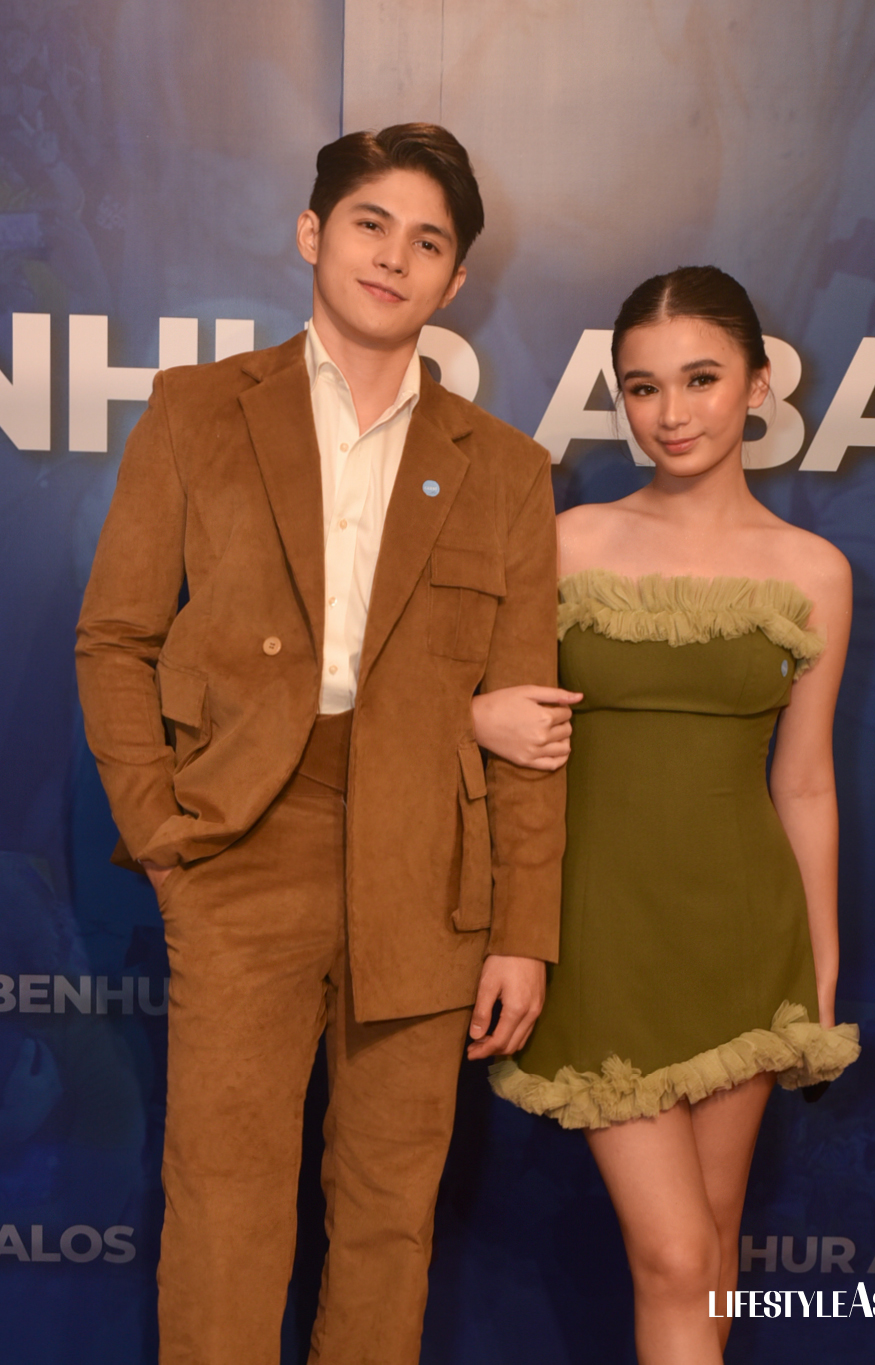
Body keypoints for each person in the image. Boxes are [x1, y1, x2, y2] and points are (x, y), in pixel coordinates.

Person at [75, 123, 566, 1365]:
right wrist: (163, 836)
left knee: (390, 1214)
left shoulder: (507, 472)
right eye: (369, 223)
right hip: (242, 846)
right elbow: (115, 638)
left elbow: (529, 722)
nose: (393, 257)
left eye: (427, 242)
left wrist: (522, 929)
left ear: (454, 282)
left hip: (429, 864)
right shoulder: (196, 411)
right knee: (225, 1205)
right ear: (312, 232)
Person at [479, 266, 860, 1363]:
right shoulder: (566, 543)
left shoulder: (814, 572)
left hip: (744, 939)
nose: (672, 412)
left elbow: (803, 782)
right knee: (676, 1254)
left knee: (713, 1237)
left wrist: (819, 966)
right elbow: (479, 720)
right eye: (643, 387)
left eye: (700, 379)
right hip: (598, 933)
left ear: (757, 384)